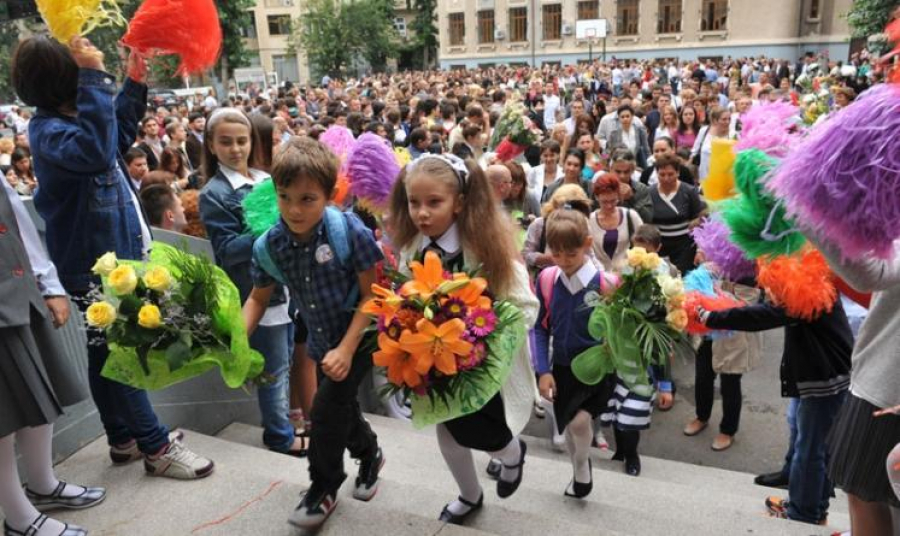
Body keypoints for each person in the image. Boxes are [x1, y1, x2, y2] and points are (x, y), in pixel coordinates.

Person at [17, 35, 212, 480]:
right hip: (94, 267)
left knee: (105, 353)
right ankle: (156, 446)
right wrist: (92, 76)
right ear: (66, 79)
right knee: (125, 351)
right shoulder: (49, 131)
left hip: (113, 259)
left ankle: (122, 438)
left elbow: (117, 133)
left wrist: (134, 76)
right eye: (79, 69)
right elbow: (96, 148)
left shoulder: (78, 123)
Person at [388, 154, 538, 525]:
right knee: (448, 432)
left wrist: (479, 335)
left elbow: (525, 306)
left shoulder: (487, 248)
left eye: (433, 202)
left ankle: (511, 453)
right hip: (435, 364)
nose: (422, 213)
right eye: (414, 203)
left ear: (459, 201)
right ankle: (470, 495)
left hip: (482, 365)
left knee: (482, 428)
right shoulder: (412, 247)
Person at [245, 137, 384, 530]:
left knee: (322, 413)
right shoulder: (270, 245)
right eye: (285, 197)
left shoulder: (348, 231)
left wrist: (346, 348)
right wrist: (235, 342)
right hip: (324, 344)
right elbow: (257, 298)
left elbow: (372, 295)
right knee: (341, 408)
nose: (294, 209)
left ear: (328, 195)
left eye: (307, 199)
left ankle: (323, 487)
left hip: (360, 337)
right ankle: (371, 454)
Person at [1, 170, 104, 536]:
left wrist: (48, 283)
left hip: (19, 289)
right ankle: (18, 518)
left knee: (39, 397)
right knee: (4, 419)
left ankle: (42, 486)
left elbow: (16, 219)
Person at [198, 109, 302, 458]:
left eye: (241, 141)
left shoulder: (263, 178)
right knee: (273, 370)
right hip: (257, 293)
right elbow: (227, 251)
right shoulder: (213, 193)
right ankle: (279, 436)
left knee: (284, 361)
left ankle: (283, 424)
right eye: (225, 142)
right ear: (211, 146)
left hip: (289, 291)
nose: (235, 149)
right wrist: (268, 227)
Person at [697, 290, 852, 525]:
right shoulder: (811, 278)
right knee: (808, 444)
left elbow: (764, 316)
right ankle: (811, 507)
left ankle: (804, 515)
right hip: (817, 375)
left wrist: (712, 317)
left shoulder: (809, 288)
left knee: (810, 452)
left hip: (825, 380)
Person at [806, 236, 900, 535]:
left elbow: (870, 273)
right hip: (881, 379)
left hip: (885, 386)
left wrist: (802, 200)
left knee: (865, 495)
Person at [534, 208, 618, 498]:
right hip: (562, 368)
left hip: (597, 369)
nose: (564, 261)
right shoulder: (546, 279)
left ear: (586, 244)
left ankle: (582, 465)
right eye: (556, 254)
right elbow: (540, 328)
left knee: (580, 422)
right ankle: (579, 466)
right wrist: (543, 370)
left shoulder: (607, 284)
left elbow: (621, 332)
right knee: (570, 426)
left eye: (570, 254)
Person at [683, 261, 763, 452]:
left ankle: (728, 430)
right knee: (702, 377)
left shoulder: (747, 271)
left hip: (732, 337)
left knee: (730, 384)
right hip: (706, 332)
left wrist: (714, 294)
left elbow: (744, 307)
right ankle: (701, 416)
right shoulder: (715, 261)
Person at [649, 155, 707, 275]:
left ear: (678, 172)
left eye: (670, 174)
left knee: (680, 278)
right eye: (662, 174)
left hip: (684, 246)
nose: (666, 178)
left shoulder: (689, 191)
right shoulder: (650, 192)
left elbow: (700, 215)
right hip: (659, 246)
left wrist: (700, 249)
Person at [588, 174, 643, 272]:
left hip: (627, 277)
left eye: (613, 201)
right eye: (604, 202)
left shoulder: (631, 216)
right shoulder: (589, 220)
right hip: (599, 278)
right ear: (596, 197)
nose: (609, 206)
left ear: (619, 196)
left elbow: (644, 244)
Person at [608, 150, 653, 222]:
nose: (622, 176)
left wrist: (632, 199)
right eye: (618, 171)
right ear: (610, 169)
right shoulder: (602, 188)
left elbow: (648, 218)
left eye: (626, 172)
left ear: (632, 171)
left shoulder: (641, 189)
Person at [690, 106, 731, 182]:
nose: (727, 122)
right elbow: (695, 151)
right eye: (724, 119)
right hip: (704, 178)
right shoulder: (704, 131)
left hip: (724, 179)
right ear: (715, 120)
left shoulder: (732, 134)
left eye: (729, 119)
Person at [607, 105, 651, 170]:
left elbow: (646, 149)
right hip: (620, 167)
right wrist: (604, 160)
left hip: (638, 167)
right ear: (619, 118)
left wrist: (650, 164)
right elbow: (607, 151)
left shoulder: (640, 131)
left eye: (627, 116)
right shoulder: (614, 134)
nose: (625, 119)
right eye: (622, 117)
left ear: (632, 117)